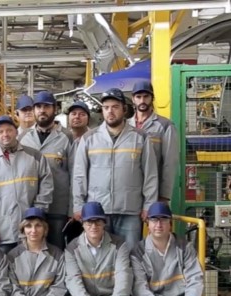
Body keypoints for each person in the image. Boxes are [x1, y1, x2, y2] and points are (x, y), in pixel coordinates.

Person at [72, 88, 158, 248]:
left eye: (115, 107)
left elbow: (150, 174)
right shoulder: (89, 138)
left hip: (130, 210)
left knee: (131, 254)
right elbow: (79, 175)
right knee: (100, 255)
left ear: (124, 109)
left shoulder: (140, 138)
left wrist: (149, 205)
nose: (110, 111)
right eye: (106, 108)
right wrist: (78, 205)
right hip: (97, 211)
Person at [0, 115, 53, 254]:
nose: (5, 134)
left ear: (16, 132)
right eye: (0, 132)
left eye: (9, 130)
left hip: (32, 230)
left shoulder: (35, 156)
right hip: (3, 232)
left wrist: (38, 212)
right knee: (5, 265)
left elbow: (46, 185)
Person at [20, 91, 74, 250]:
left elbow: (75, 175)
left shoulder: (67, 137)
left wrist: (72, 208)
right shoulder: (23, 137)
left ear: (55, 109)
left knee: (56, 249)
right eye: (38, 107)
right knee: (32, 251)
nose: (42, 110)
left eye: (46, 106)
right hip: (30, 207)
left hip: (58, 207)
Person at [128, 80, 179, 202]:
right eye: (138, 97)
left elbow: (170, 163)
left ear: (152, 98)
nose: (142, 100)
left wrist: (165, 195)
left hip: (154, 191)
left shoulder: (165, 125)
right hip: (130, 191)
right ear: (133, 99)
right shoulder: (126, 126)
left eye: (146, 96)